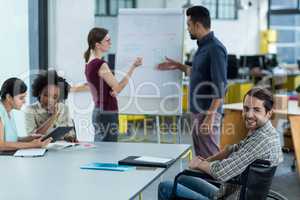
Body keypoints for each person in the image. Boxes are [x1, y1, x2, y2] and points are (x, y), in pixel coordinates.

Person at [158, 87, 283, 200]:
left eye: (256, 110)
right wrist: (208, 160)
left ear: (269, 113)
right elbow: (233, 149)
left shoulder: (261, 140)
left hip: (232, 196)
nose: (249, 115)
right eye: (246, 109)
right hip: (232, 193)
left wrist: (199, 164)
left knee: (166, 187)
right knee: (184, 178)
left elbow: (221, 173)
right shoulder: (269, 133)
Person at [158, 6, 227, 158]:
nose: (188, 29)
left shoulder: (215, 49)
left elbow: (220, 87)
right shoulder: (202, 48)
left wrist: (209, 117)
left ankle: (215, 183)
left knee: (211, 157)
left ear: (197, 25)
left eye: (189, 25)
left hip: (207, 112)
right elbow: (198, 73)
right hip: (198, 111)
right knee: (202, 158)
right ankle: (204, 182)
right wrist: (178, 66)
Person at [84, 27, 142, 142]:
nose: (110, 43)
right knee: (108, 151)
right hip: (107, 112)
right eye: (107, 40)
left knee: (100, 149)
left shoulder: (89, 64)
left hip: (98, 111)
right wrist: (133, 67)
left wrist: (111, 90)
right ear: (97, 45)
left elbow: (101, 87)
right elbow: (118, 88)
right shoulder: (100, 64)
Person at [0, 78, 52, 151]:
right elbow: (1, 145)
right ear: (9, 97)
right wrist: (32, 145)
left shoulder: (9, 112)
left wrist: (30, 138)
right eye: (21, 98)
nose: (24, 101)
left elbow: (13, 140)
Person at [25, 70, 76, 142]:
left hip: (61, 149)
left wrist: (71, 137)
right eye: (46, 95)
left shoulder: (64, 108)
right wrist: (53, 117)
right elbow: (32, 137)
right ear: (39, 92)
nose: (50, 100)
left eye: (55, 97)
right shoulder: (30, 110)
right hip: (40, 149)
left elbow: (71, 133)